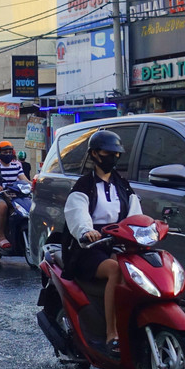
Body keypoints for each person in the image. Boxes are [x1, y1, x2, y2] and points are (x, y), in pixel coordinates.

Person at [63, 129, 144, 355]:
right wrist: (87, 231)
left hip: (118, 243)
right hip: (89, 248)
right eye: (108, 153)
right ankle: (112, 333)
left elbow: (135, 215)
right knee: (116, 270)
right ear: (95, 154)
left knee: (140, 269)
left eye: (116, 154)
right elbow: (77, 212)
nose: (113, 157)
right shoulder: (83, 186)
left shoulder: (124, 186)